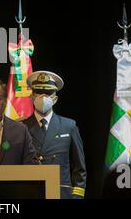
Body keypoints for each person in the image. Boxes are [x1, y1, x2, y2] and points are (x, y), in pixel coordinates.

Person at [21, 71, 87, 199]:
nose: (43, 97)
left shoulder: (69, 126)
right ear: (31, 97)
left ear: (55, 99)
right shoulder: (21, 127)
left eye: (48, 93)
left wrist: (76, 197)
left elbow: (79, 168)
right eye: (39, 92)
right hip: (31, 193)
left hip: (61, 194)